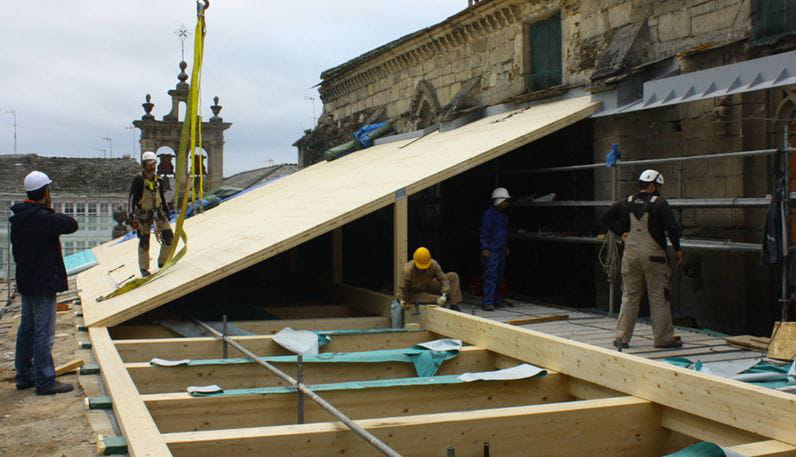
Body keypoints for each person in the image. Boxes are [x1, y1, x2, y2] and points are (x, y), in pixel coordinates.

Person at [10, 171, 78, 395]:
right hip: (43, 283)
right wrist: (49, 211)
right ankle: (45, 380)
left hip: (27, 280)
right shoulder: (41, 218)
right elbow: (71, 224)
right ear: (46, 193)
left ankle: (24, 375)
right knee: (43, 333)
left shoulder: (20, 218)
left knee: (27, 329)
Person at [602, 169, 684, 350]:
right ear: (653, 185)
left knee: (629, 296)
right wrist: (677, 250)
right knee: (659, 297)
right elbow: (672, 228)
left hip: (630, 256)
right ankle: (663, 339)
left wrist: (620, 233)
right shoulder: (660, 203)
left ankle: (622, 338)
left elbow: (606, 218)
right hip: (654, 257)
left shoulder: (625, 202)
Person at [128, 151, 174, 277]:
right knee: (144, 241)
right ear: (144, 164)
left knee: (169, 236)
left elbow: (162, 197)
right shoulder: (138, 180)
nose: (151, 166)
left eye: (153, 163)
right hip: (143, 214)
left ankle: (163, 261)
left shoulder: (157, 179)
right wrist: (131, 215)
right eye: (149, 164)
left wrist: (166, 210)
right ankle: (144, 268)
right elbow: (132, 198)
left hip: (158, 212)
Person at [397, 247, 463, 312]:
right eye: (420, 267)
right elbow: (400, 290)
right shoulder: (408, 270)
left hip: (428, 286)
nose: (422, 269)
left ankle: (454, 305)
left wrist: (444, 294)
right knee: (438, 300)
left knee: (453, 276)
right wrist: (401, 300)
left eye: (425, 266)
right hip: (415, 293)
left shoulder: (433, 264)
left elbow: (444, 280)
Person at [480, 187, 511, 311]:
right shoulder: (489, 215)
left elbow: (503, 233)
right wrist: (485, 248)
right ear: (499, 200)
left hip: (500, 250)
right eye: (505, 201)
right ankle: (487, 301)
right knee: (491, 276)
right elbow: (484, 232)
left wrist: (505, 246)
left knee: (499, 276)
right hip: (492, 250)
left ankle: (496, 299)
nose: (507, 204)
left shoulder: (503, 216)